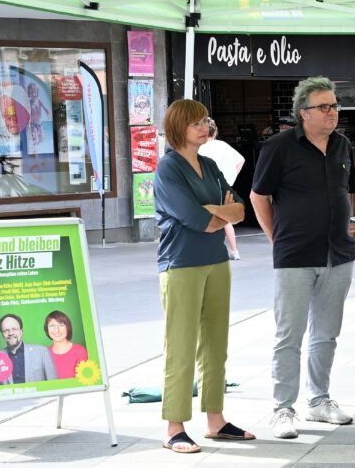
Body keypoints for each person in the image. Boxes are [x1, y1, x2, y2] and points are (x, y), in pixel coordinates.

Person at [251, 77, 355, 439]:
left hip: (338, 253)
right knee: (289, 336)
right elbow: (258, 197)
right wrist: (276, 238)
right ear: (304, 113)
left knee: (327, 335)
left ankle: (320, 401)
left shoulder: (343, 146)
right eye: (324, 107)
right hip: (295, 254)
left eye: (334, 106)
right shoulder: (278, 147)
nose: (332, 113)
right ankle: (283, 409)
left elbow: (349, 194)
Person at [153, 98, 252, 453]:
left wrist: (218, 211)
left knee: (216, 343)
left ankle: (216, 420)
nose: (204, 126)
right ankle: (174, 427)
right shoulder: (168, 169)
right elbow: (201, 220)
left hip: (216, 260)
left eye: (205, 120)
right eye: (196, 122)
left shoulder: (209, 164)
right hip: (181, 264)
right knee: (180, 347)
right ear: (178, 127)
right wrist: (216, 212)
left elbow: (240, 210)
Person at [199, 119, 246, 260]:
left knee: (206, 217)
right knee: (226, 218)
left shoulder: (200, 148)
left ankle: (207, 250)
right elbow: (241, 160)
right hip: (223, 187)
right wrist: (230, 178)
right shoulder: (223, 145)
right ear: (216, 132)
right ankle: (235, 250)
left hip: (206, 187)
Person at [0, 314, 56, 385]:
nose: (10, 333)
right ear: (2, 334)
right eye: (6, 331)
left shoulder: (42, 352)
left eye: (14, 329)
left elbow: (54, 385)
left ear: (21, 332)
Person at [43, 310, 88, 380]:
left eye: (61, 325)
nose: (56, 330)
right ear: (47, 329)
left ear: (68, 327)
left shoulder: (80, 352)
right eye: (52, 326)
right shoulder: (44, 354)